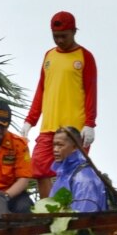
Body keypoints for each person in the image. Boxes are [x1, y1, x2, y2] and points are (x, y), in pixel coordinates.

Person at [20, 11, 97, 198]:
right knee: (39, 167)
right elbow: (41, 89)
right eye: (56, 37)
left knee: (73, 170)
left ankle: (71, 213)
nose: (60, 40)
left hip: (74, 129)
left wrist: (90, 124)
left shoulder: (84, 57)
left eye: (64, 36)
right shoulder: (49, 56)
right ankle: (49, 213)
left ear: (74, 32)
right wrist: (30, 120)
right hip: (49, 126)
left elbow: (91, 92)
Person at [50, 126, 107, 212]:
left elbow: (84, 218)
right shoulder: (64, 173)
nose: (55, 149)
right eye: (54, 145)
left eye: (60, 145)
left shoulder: (84, 179)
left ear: (75, 147)